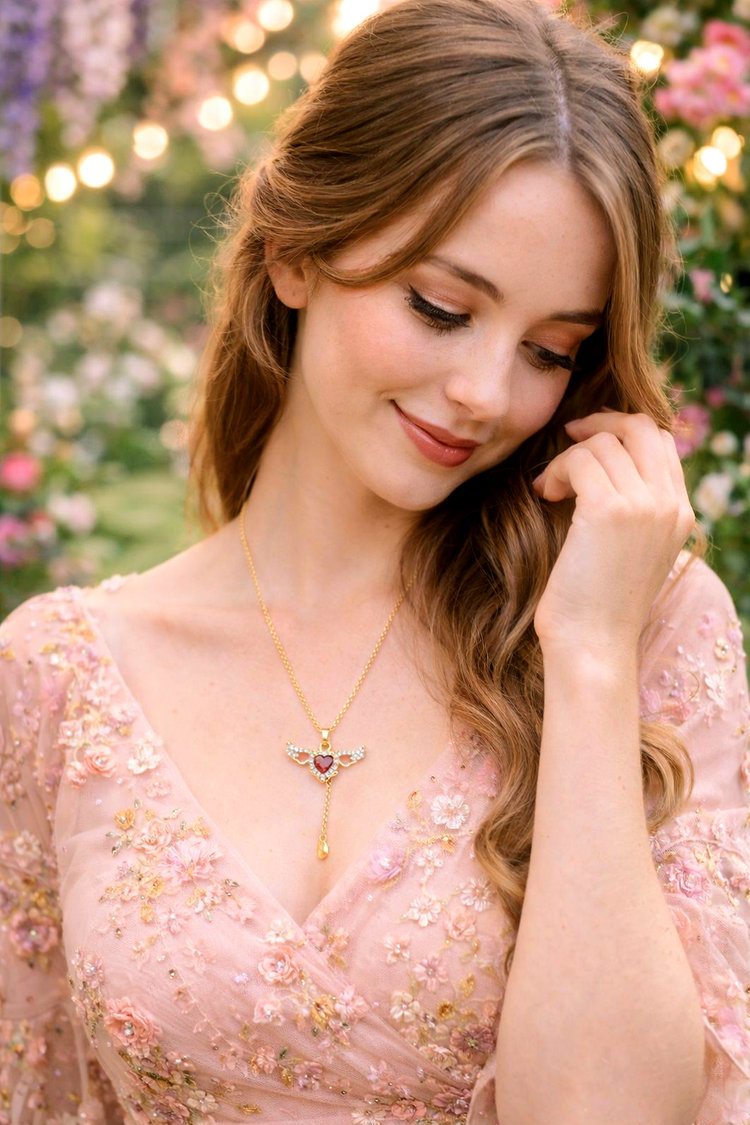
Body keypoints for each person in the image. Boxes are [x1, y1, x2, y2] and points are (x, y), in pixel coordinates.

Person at [1, 0, 749, 1121]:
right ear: (296, 254)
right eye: (441, 308)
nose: (486, 394)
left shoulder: (645, 626)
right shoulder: (55, 674)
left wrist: (590, 656)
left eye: (550, 350)